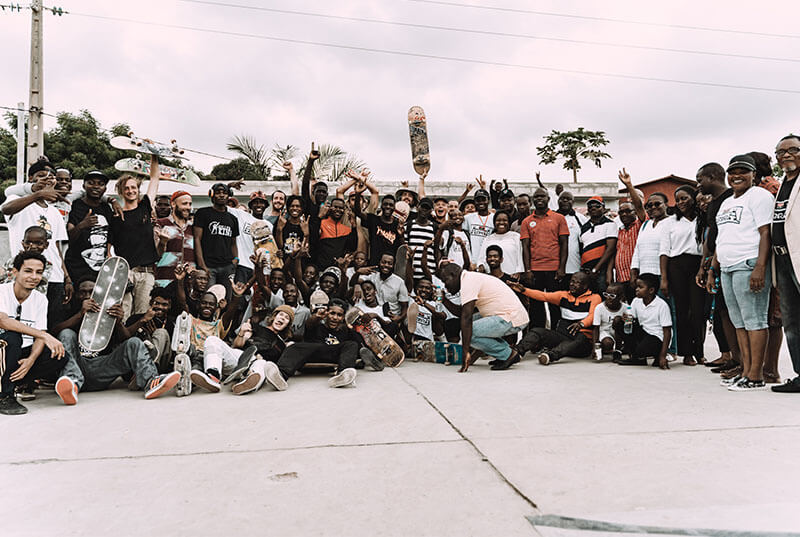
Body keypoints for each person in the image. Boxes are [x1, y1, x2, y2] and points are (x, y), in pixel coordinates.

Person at [711, 155, 774, 391]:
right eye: (732, 171)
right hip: (727, 266)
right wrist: (713, 268)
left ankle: (756, 376)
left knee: (754, 320)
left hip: (748, 264)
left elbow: (765, 233)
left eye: (743, 171)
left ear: (753, 175)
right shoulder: (728, 201)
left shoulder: (759, 196)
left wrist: (760, 266)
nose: (736, 175)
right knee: (739, 323)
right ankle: (746, 371)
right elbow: (721, 238)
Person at [2, 160, 71, 328]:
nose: (47, 180)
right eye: (41, 176)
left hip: (54, 277)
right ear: (30, 178)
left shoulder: (54, 211)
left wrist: (67, 277)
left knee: (50, 323)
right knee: (25, 323)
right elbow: (6, 209)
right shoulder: (17, 199)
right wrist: (36, 195)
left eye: (51, 177)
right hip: (28, 276)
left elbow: (56, 247)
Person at [0, 252, 69, 415]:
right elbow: (3, 321)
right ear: (15, 272)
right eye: (28, 271)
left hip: (18, 355)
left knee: (59, 356)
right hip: (2, 351)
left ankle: (16, 383)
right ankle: (5, 396)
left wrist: (31, 360)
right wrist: (45, 336)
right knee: (12, 337)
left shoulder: (40, 299)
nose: (34, 276)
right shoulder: (2, 291)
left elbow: (40, 332)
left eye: (39, 272)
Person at [439, 263, 528, 372]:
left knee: (469, 331)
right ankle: (503, 354)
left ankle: (508, 354)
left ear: (453, 275)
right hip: (506, 315)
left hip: (511, 317)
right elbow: (463, 313)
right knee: (469, 326)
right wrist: (444, 300)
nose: (445, 286)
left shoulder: (468, 281)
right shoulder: (469, 278)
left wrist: (465, 353)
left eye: (445, 281)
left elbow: (466, 318)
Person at [261, 299, 363, 391]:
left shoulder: (345, 330)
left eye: (339, 315)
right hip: (313, 354)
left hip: (334, 356)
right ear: (327, 313)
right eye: (332, 313)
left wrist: (349, 325)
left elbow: (358, 343)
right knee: (294, 346)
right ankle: (280, 376)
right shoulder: (317, 326)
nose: (335, 318)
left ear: (342, 317)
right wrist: (317, 317)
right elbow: (309, 324)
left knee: (352, 344)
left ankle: (342, 376)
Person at [508, 272, 600, 366]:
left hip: (582, 343)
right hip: (563, 337)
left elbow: (593, 316)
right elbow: (543, 296)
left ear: (585, 286)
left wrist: (581, 324)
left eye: (577, 282)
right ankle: (516, 353)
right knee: (536, 331)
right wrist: (524, 290)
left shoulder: (595, 298)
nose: (572, 284)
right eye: (572, 281)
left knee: (579, 340)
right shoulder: (563, 295)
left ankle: (550, 356)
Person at [659, 184, 705, 365]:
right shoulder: (669, 222)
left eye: (684, 198)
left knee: (698, 311)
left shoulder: (702, 219)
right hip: (676, 266)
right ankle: (687, 353)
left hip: (698, 264)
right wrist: (664, 278)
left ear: (694, 198)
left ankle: (699, 351)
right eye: (677, 200)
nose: (680, 202)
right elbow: (664, 251)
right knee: (682, 311)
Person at [111, 156, 162, 318]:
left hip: (146, 272)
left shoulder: (145, 207)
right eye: (126, 188)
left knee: (142, 314)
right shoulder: (116, 216)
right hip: (126, 273)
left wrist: (154, 156)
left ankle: (140, 343)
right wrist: (119, 274)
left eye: (133, 187)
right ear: (121, 192)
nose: (131, 191)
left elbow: (155, 178)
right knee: (123, 313)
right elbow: (109, 250)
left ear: (138, 189)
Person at [771, 135, 800, 393]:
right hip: (782, 259)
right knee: (791, 320)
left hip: (798, 257)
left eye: (793, 150)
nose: (786, 155)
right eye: (781, 152)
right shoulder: (783, 185)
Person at [520, 187, 569, 328]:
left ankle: (555, 334)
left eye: (542, 196)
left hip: (554, 269)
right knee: (536, 306)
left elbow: (564, 245)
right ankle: (538, 336)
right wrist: (528, 270)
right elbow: (525, 247)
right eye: (536, 197)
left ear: (548, 199)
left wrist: (561, 268)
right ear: (532, 200)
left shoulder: (559, 218)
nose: (539, 199)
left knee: (555, 305)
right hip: (535, 270)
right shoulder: (527, 221)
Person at [65, 171, 115, 285]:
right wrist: (82, 225)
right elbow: (69, 239)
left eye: (100, 184)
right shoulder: (76, 206)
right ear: (84, 186)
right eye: (91, 183)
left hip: (101, 271)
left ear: (105, 188)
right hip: (77, 268)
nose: (96, 186)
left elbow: (111, 236)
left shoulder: (106, 208)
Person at [616, 273, 673, 369]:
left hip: (657, 337)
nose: (636, 289)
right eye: (636, 286)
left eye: (640, 287)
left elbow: (667, 332)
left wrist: (663, 356)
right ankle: (637, 358)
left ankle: (658, 356)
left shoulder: (661, 305)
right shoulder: (636, 301)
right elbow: (631, 319)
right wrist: (624, 318)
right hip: (644, 333)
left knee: (643, 348)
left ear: (651, 290)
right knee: (619, 322)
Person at [193, 183, 240, 293]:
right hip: (208, 266)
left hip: (227, 266)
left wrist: (235, 260)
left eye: (224, 193)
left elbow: (233, 243)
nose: (222, 195)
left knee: (226, 298)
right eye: (218, 192)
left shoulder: (233, 219)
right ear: (212, 195)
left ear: (229, 196)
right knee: (208, 298)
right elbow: (197, 239)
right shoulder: (203, 213)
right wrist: (202, 265)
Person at [120, 287, 175, 373]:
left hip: (160, 366)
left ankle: (148, 370)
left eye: (164, 304)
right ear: (150, 302)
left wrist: (156, 336)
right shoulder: (136, 318)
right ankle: (146, 371)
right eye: (156, 303)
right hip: (135, 364)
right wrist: (143, 320)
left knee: (161, 332)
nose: (160, 307)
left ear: (170, 306)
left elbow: (169, 351)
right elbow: (124, 338)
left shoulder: (171, 324)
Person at [615, 169, 647, 301]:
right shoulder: (620, 230)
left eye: (628, 211)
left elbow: (639, 206)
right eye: (621, 212)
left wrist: (629, 185)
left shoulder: (641, 224)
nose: (624, 215)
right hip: (621, 278)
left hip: (636, 278)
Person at [154, 190, 195, 288]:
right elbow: (155, 255)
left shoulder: (193, 227)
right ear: (173, 204)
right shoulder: (160, 224)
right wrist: (163, 242)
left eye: (190, 204)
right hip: (164, 280)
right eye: (184, 204)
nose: (188, 207)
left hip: (188, 283)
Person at [579, 195, 617, 293]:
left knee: (603, 299)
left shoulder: (610, 224)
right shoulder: (584, 227)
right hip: (586, 272)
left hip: (601, 271)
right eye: (590, 206)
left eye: (597, 206)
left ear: (604, 208)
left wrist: (596, 269)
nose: (593, 208)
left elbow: (611, 249)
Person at [476, 212, 523, 277]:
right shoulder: (488, 239)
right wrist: (481, 266)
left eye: (504, 220)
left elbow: (520, 256)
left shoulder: (516, 237)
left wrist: (519, 271)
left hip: (511, 275)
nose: (501, 222)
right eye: (498, 220)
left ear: (509, 222)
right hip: (493, 276)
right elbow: (481, 259)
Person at [556, 191, 587, 289]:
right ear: (558, 201)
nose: (565, 200)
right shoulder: (552, 218)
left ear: (573, 202)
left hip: (575, 267)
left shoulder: (581, 219)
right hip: (555, 267)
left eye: (568, 199)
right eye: (562, 198)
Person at [592, 282, 626, 362]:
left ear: (621, 297)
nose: (608, 298)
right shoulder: (599, 308)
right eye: (606, 295)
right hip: (605, 333)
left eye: (612, 296)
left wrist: (626, 319)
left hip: (620, 334)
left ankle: (618, 351)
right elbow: (596, 328)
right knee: (607, 343)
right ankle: (607, 349)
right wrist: (594, 347)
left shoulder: (626, 307)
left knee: (618, 319)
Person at [406, 197, 438, 281]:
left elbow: (437, 250)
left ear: (431, 211)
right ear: (417, 207)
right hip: (411, 272)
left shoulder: (434, 227)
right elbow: (405, 247)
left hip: (429, 272)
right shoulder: (409, 225)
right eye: (422, 207)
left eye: (427, 208)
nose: (424, 210)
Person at [462, 189, 494, 263]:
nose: (481, 202)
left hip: (490, 261)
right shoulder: (468, 218)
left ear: (488, 200)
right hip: (473, 261)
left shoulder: (494, 218)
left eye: (483, 199)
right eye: (478, 200)